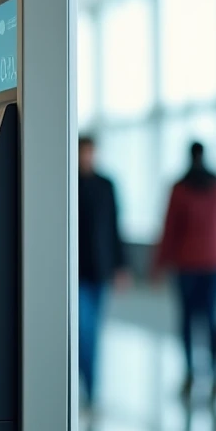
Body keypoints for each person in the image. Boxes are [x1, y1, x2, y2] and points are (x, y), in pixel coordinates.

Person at [153, 142, 216, 398]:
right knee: (212, 318)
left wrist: (159, 264)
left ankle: (190, 373)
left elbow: (169, 229)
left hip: (186, 263)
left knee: (187, 320)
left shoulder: (180, 188)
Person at [77, 135, 128, 405]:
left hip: (101, 267)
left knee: (94, 328)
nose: (87, 157)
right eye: (83, 152)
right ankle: (87, 381)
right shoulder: (68, 183)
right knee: (84, 328)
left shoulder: (106, 185)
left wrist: (121, 265)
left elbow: (115, 226)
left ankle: (90, 385)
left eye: (90, 153)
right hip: (76, 271)